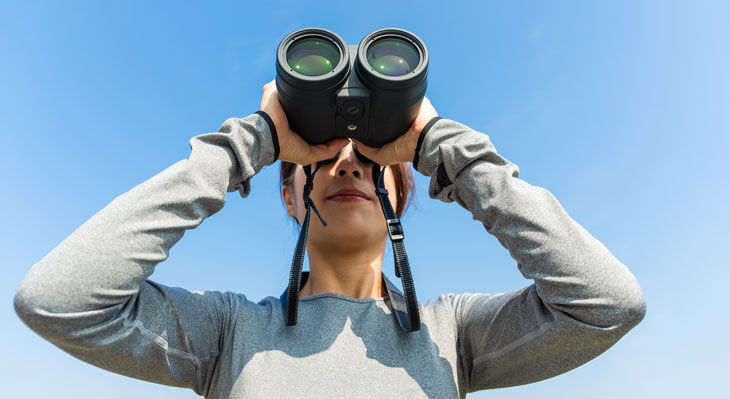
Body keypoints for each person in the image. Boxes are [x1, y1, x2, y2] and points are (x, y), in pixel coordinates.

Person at [14, 79, 646, 398]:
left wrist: (447, 150)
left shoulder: (456, 335)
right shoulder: (224, 334)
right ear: (287, 195)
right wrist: (251, 142)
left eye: (373, 160)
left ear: (405, 191)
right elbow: (59, 300)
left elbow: (606, 305)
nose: (347, 165)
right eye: (318, 159)